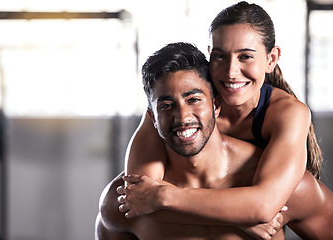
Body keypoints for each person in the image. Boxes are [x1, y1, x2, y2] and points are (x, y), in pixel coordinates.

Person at [96, 42, 333, 240]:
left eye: (194, 99)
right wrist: (240, 218)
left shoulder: (285, 189)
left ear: (216, 105)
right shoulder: (127, 203)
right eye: (166, 106)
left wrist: (248, 212)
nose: (183, 117)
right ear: (152, 117)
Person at [119, 1, 323, 224]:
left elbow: (264, 206)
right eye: (220, 56)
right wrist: (240, 220)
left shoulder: (287, 113)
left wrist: (164, 195)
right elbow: (139, 191)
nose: (231, 72)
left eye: (245, 56)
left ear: (271, 59)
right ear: (209, 56)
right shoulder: (184, 104)